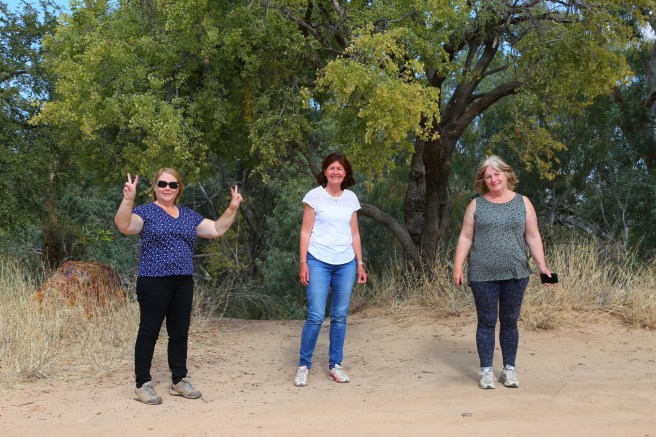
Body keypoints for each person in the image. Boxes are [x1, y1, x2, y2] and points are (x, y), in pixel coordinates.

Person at [115, 168, 243, 405]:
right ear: (154, 187)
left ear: (178, 189)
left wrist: (232, 208)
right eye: (162, 183)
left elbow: (216, 229)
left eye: (173, 185)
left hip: (182, 281)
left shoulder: (188, 215)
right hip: (153, 280)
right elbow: (125, 225)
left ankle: (179, 380)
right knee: (149, 332)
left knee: (179, 333)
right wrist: (128, 199)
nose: (167, 188)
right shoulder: (146, 212)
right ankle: (142, 384)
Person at [453, 155, 553, 389]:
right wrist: (458, 266)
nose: (493, 179)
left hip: (516, 272)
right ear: (483, 181)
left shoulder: (523, 203)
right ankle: (486, 371)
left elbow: (533, 236)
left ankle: (509, 370)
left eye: (497, 173)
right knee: (486, 322)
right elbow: (466, 236)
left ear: (507, 174)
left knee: (510, 322)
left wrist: (543, 268)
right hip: (482, 273)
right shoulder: (476, 204)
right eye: (488, 176)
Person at [294, 152, 367, 387]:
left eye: (340, 169)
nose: (336, 172)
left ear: (346, 173)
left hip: (345, 263)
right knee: (315, 315)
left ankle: (336, 365)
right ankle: (304, 366)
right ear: (325, 171)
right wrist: (303, 262)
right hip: (318, 261)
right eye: (331, 168)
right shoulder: (314, 197)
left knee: (339, 316)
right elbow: (305, 231)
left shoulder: (351, 198)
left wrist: (360, 263)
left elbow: (354, 232)